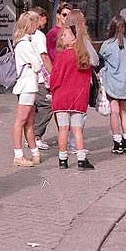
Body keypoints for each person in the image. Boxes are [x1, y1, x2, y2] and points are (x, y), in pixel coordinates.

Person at [50, 15, 94, 170]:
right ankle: (81, 160)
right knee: (77, 129)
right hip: (78, 99)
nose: (62, 37)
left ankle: (63, 160)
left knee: (63, 128)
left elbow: (55, 78)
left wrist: (53, 92)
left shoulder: (62, 56)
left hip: (62, 97)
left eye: (65, 35)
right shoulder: (83, 56)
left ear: (74, 38)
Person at [10, 12, 44, 167]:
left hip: (29, 85)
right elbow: (38, 64)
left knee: (28, 121)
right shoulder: (24, 44)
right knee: (22, 121)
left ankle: (35, 152)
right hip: (27, 86)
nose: (37, 26)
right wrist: (34, 64)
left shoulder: (24, 42)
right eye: (35, 23)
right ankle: (18, 154)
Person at [99, 15, 126, 154]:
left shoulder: (107, 45)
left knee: (114, 111)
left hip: (112, 83)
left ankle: (117, 142)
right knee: (124, 111)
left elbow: (100, 59)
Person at [29, 7, 55, 152]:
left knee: (32, 108)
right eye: (45, 18)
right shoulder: (38, 35)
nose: (46, 22)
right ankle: (36, 136)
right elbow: (44, 56)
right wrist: (53, 74)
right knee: (47, 105)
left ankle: (31, 136)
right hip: (38, 77)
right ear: (39, 17)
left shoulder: (23, 34)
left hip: (27, 77)